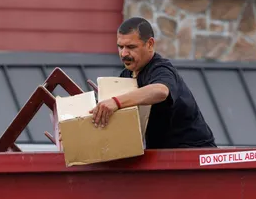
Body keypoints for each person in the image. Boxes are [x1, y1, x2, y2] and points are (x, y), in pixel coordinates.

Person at [90, 17, 217, 149]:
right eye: (120, 47)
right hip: (159, 155)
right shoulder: (126, 75)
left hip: (193, 154)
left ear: (150, 44)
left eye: (131, 47)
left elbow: (160, 91)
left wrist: (115, 102)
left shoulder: (161, 69)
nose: (124, 53)